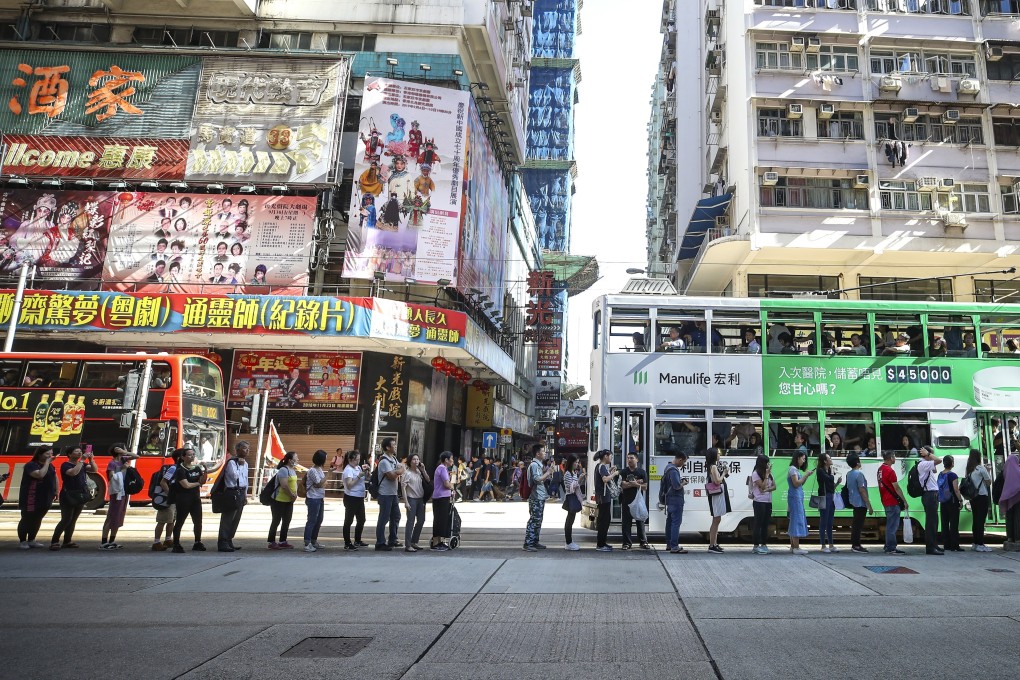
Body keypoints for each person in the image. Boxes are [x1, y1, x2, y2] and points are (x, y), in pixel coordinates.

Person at [50, 445, 96, 550]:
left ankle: (67, 541)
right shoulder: (65, 465)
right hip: (68, 495)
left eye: (80, 451)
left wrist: (91, 459)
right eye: (76, 451)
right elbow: (73, 473)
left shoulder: (83, 464)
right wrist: (82, 460)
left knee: (73, 519)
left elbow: (94, 470)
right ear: (70, 454)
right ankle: (55, 541)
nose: (80, 453)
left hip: (80, 494)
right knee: (66, 519)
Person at [17, 447, 57, 550]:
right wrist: (47, 463)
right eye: (47, 454)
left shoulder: (50, 465)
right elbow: (40, 475)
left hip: (45, 496)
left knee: (38, 518)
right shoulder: (31, 465)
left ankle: (32, 539)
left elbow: (54, 477)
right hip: (31, 496)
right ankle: (22, 541)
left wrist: (56, 491)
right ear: (39, 454)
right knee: (27, 518)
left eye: (51, 454)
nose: (50, 456)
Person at [101, 443, 138, 550]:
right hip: (116, 492)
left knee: (118, 516)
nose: (126, 450)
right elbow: (112, 477)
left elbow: (137, 456)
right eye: (124, 448)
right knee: (111, 516)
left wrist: (124, 453)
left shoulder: (124, 458)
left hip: (123, 491)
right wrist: (122, 469)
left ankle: (112, 540)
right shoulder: (112, 463)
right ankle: (104, 541)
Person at [170, 447, 207, 553]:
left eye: (193, 454)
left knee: (198, 521)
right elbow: (186, 485)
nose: (192, 456)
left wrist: (205, 470)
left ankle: (197, 542)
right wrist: (198, 483)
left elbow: (202, 480)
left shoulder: (196, 468)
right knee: (180, 521)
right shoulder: (180, 470)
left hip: (195, 498)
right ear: (183, 457)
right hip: (183, 499)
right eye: (189, 455)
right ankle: (176, 543)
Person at [216, 441, 249, 552]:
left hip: (241, 492)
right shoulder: (232, 462)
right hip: (231, 492)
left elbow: (245, 480)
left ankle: (229, 539)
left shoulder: (246, 463)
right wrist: (240, 465)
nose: (247, 450)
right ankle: (222, 541)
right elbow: (234, 476)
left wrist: (245, 495)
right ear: (238, 450)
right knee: (228, 518)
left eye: (248, 448)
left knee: (236, 519)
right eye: (244, 448)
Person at [375, 438, 406, 550]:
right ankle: (380, 543)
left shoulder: (393, 459)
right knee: (384, 518)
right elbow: (392, 476)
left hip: (393, 493)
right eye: (393, 444)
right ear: (388, 447)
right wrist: (399, 472)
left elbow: (402, 468)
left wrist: (398, 471)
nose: (395, 446)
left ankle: (393, 539)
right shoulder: (383, 461)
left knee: (396, 516)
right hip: (385, 494)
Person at [523, 443, 554, 551]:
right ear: (537, 453)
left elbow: (541, 479)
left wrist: (546, 473)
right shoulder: (534, 465)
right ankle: (528, 543)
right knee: (534, 520)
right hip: (535, 496)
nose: (544, 453)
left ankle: (534, 541)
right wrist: (548, 472)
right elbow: (537, 479)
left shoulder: (538, 465)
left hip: (539, 496)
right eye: (543, 451)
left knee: (538, 520)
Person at [878, 450, 907, 555]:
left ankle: (888, 545)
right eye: (894, 457)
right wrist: (904, 500)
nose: (895, 458)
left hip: (885, 500)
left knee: (889, 524)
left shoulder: (880, 470)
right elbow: (897, 488)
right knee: (892, 525)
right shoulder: (890, 471)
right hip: (892, 501)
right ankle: (891, 547)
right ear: (891, 458)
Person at [916, 445, 944, 555]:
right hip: (930, 495)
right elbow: (939, 460)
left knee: (934, 521)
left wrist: (929, 455)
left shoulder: (926, 464)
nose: (932, 456)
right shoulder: (923, 464)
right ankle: (930, 547)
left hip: (931, 495)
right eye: (931, 454)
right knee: (931, 523)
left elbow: (935, 470)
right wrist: (928, 454)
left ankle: (934, 544)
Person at [268, 452, 298, 550]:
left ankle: (283, 541)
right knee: (276, 521)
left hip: (289, 500)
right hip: (279, 500)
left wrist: (294, 495)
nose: (297, 460)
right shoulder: (283, 470)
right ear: (290, 460)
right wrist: (291, 495)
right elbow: (284, 485)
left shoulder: (292, 470)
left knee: (286, 521)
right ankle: (271, 541)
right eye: (296, 458)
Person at [620, 453, 650, 550]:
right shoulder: (623, 472)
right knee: (626, 523)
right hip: (626, 500)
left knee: (640, 521)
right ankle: (626, 543)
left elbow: (645, 487)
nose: (629, 460)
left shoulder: (642, 472)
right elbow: (623, 485)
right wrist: (637, 483)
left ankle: (643, 542)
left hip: (638, 501)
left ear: (637, 459)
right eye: (628, 458)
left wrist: (634, 484)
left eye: (632, 458)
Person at [400, 453, 430, 552]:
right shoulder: (407, 473)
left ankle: (414, 541)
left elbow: (428, 480)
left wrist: (423, 470)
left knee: (421, 520)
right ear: (410, 461)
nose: (416, 461)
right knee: (410, 521)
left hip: (420, 499)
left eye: (417, 459)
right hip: (411, 499)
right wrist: (406, 502)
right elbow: (403, 488)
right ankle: (408, 545)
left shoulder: (419, 471)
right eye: (414, 459)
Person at [787, 450, 814, 555]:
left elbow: (800, 483)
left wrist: (806, 476)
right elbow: (796, 483)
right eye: (803, 458)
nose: (804, 460)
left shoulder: (795, 470)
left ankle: (793, 546)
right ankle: (796, 547)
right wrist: (806, 475)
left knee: (795, 519)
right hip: (795, 497)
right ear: (797, 458)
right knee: (796, 520)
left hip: (796, 497)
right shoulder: (793, 469)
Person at [965, 450, 993, 552]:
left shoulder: (969, 469)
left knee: (976, 519)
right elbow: (988, 482)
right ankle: (980, 543)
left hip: (973, 497)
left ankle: (975, 543)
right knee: (981, 520)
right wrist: (988, 470)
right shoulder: (981, 468)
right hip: (981, 496)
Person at [845, 452, 873, 553]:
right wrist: (869, 505)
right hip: (860, 502)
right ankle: (856, 545)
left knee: (856, 524)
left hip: (853, 501)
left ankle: (855, 544)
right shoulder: (859, 475)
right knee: (858, 525)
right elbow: (862, 490)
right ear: (857, 463)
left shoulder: (849, 474)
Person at [342, 450, 369, 550]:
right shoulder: (348, 470)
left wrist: (366, 472)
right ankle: (347, 543)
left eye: (359, 460)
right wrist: (359, 476)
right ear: (350, 459)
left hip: (359, 497)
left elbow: (366, 479)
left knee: (362, 519)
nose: (358, 462)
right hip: (351, 497)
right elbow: (349, 485)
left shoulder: (357, 467)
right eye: (356, 460)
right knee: (349, 520)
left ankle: (357, 540)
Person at [705, 444, 730, 553]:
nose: (720, 454)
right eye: (718, 453)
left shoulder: (712, 466)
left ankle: (714, 543)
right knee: (716, 519)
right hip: (716, 495)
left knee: (717, 519)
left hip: (716, 495)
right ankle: (712, 545)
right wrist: (724, 473)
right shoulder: (713, 466)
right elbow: (717, 481)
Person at [152, 450, 180, 551]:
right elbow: (163, 482)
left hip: (175, 499)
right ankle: (156, 542)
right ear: (180, 458)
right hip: (167, 499)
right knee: (162, 521)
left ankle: (168, 539)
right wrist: (170, 494)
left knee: (171, 520)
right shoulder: (173, 468)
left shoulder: (180, 468)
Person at [593, 449, 620, 552]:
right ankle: (600, 544)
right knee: (604, 521)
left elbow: (604, 477)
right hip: (603, 497)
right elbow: (605, 479)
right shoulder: (602, 466)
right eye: (610, 457)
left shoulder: (600, 466)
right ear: (606, 456)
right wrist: (614, 474)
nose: (611, 458)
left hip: (603, 497)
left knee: (604, 520)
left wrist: (610, 472)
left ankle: (602, 543)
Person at [662, 451, 689, 554]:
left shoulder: (668, 467)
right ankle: (674, 546)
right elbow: (676, 486)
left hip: (670, 499)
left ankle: (669, 544)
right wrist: (683, 483)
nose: (684, 464)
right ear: (680, 459)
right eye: (684, 462)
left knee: (669, 522)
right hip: (676, 499)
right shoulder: (673, 470)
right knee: (675, 523)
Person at [302, 450, 328, 552]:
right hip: (313, 498)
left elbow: (323, 483)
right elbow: (319, 484)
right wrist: (329, 473)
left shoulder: (319, 470)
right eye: (325, 457)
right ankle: (307, 542)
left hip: (319, 498)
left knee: (319, 520)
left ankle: (313, 540)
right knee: (312, 520)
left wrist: (323, 481)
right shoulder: (312, 470)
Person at [750, 454, 776, 555]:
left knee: (766, 524)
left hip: (768, 501)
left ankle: (764, 544)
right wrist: (766, 475)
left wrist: (766, 489)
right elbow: (762, 486)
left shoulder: (769, 474)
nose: (768, 465)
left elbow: (774, 486)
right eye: (766, 462)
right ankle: (756, 546)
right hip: (759, 502)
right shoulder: (755, 473)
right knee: (758, 523)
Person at [815, 452, 841, 553]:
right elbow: (828, 479)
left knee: (830, 522)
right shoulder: (821, 471)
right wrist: (832, 476)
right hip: (824, 497)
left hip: (830, 496)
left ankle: (831, 544)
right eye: (829, 458)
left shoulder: (829, 470)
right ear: (825, 461)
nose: (831, 460)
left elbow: (831, 487)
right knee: (823, 521)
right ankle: (823, 545)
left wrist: (837, 483)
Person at [937, 455, 964, 552]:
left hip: (943, 501)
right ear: (952, 464)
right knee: (953, 523)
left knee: (944, 523)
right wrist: (960, 500)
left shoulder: (940, 474)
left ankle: (946, 545)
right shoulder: (953, 475)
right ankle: (955, 545)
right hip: (952, 502)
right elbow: (956, 490)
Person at [431, 451, 455, 551]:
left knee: (438, 519)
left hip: (438, 497)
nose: (453, 461)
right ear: (446, 460)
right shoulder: (443, 469)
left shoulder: (440, 468)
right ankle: (438, 543)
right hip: (442, 497)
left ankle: (437, 541)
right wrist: (452, 487)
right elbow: (446, 484)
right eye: (451, 459)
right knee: (441, 520)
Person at [562, 455, 585, 551]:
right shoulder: (568, 473)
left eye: (578, 462)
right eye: (575, 462)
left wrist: (579, 479)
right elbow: (571, 488)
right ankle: (568, 542)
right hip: (570, 497)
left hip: (573, 497)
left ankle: (569, 542)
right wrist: (579, 479)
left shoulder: (573, 472)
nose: (577, 464)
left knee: (570, 520)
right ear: (571, 462)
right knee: (569, 521)